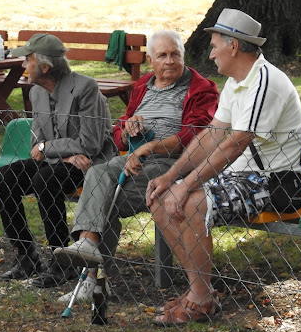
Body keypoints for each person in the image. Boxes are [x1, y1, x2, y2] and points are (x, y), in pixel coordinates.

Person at [146, 9, 301, 325]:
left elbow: (236, 143)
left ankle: (199, 299)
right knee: (158, 198)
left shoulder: (265, 81)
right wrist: (171, 176)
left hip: (277, 182)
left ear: (234, 47)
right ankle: (200, 294)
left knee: (191, 201)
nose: (210, 53)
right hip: (240, 177)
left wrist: (187, 184)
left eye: (215, 44)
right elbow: (211, 136)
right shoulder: (237, 82)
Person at [53, 30, 219, 303]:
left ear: (184, 56)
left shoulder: (201, 88)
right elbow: (117, 133)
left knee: (101, 201)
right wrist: (129, 130)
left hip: (173, 164)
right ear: (150, 61)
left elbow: (197, 136)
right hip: (134, 159)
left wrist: (151, 146)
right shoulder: (143, 86)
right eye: (162, 56)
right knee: (97, 172)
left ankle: (90, 277)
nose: (169, 61)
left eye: (175, 54)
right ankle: (89, 250)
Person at [0, 33, 116, 287]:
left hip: (90, 164)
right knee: (3, 177)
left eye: (27, 60)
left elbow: (91, 144)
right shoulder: (37, 92)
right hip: (63, 161)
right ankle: (26, 257)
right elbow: (35, 146)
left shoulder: (85, 87)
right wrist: (64, 153)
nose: (23, 66)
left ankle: (63, 262)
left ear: (45, 67)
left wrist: (49, 147)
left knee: (44, 180)